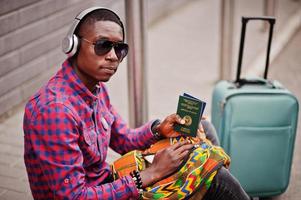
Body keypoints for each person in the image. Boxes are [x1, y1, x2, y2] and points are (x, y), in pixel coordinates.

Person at [23, 7, 249, 199]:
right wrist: (151, 174)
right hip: (98, 192)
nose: (113, 56)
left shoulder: (96, 89)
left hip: (110, 181)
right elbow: (74, 196)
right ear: (72, 45)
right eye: (102, 45)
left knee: (204, 130)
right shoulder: (55, 110)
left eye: (119, 48)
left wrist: (159, 129)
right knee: (214, 177)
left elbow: (122, 139)